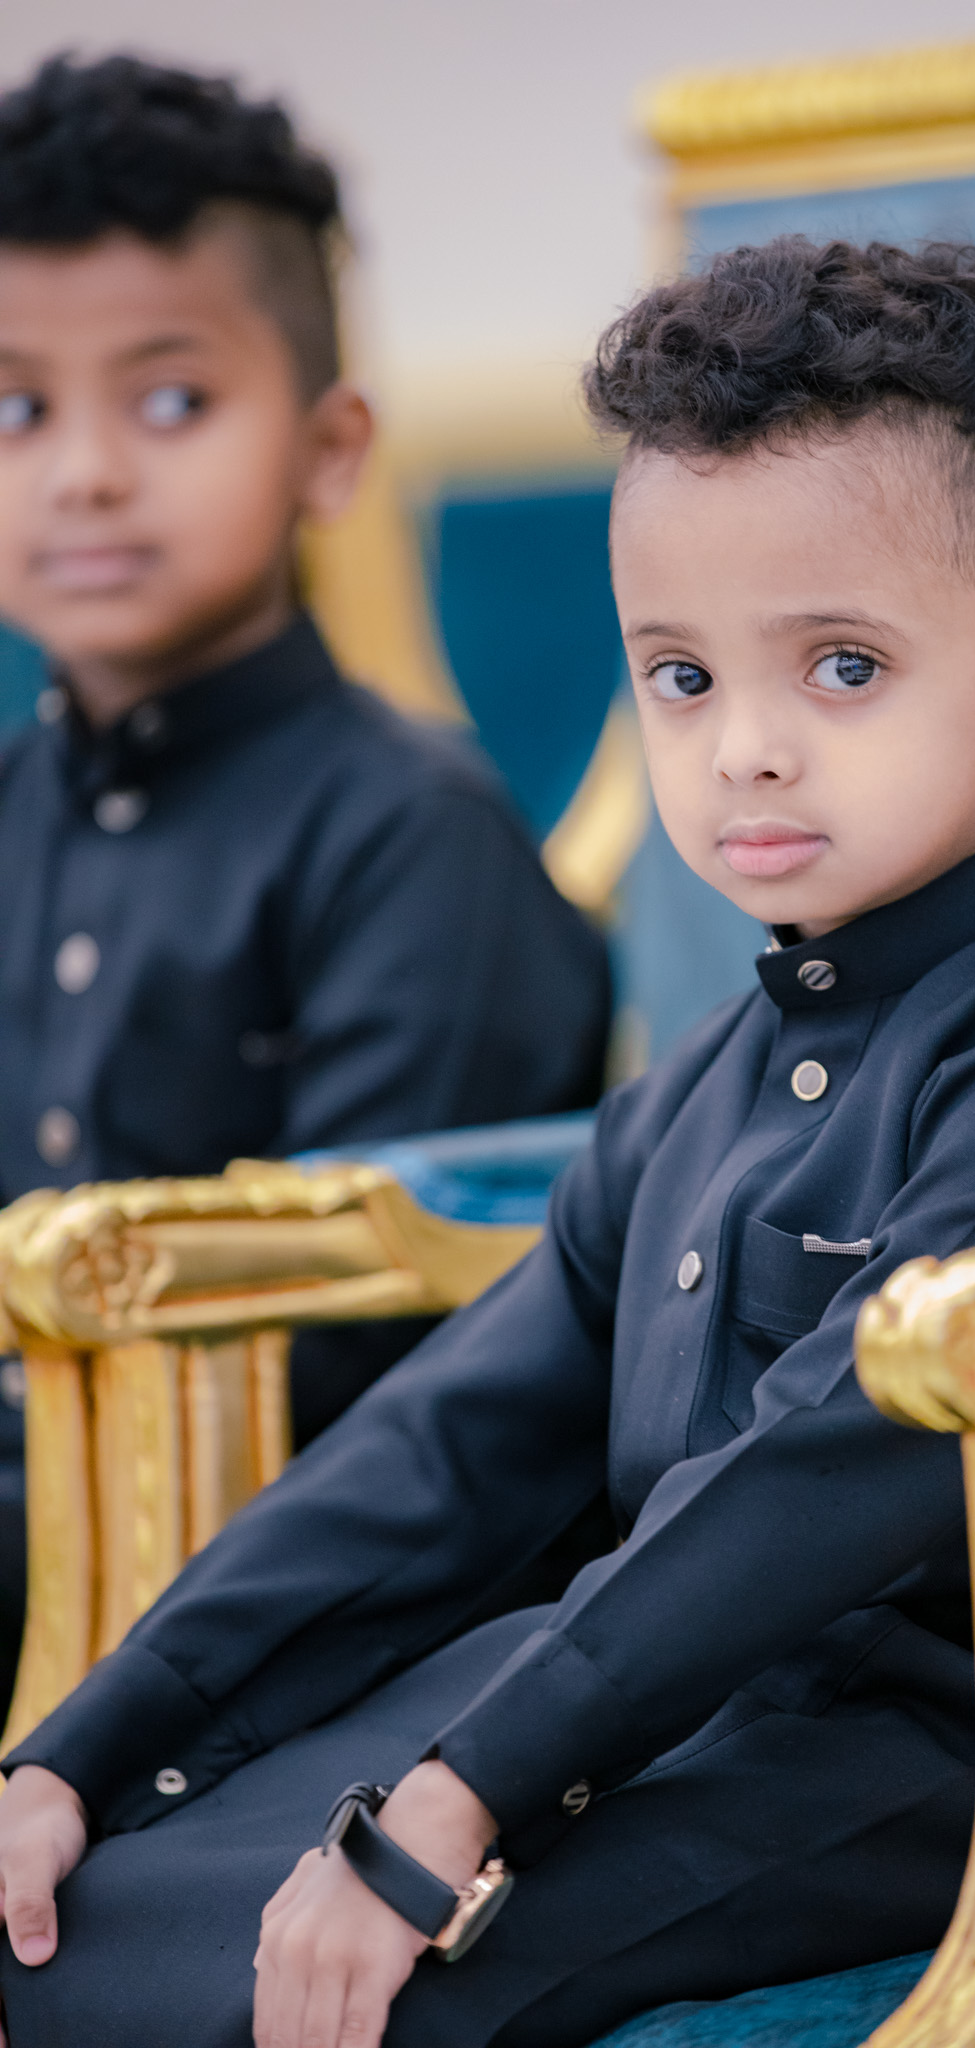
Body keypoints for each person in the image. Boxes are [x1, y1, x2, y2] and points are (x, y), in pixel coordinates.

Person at [0, 237, 975, 2048]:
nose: (743, 748)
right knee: (74, 1919)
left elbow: (805, 1487)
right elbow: (440, 1455)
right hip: (686, 1705)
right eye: (679, 677)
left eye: (841, 665)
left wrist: (457, 1796)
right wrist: (78, 1753)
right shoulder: (708, 1080)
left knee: (342, 1997)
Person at [0, 53, 612, 1500]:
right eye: (18, 412)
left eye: (170, 402)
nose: (85, 474)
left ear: (330, 451)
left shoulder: (416, 843)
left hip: (281, 1566)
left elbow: (352, 1367)